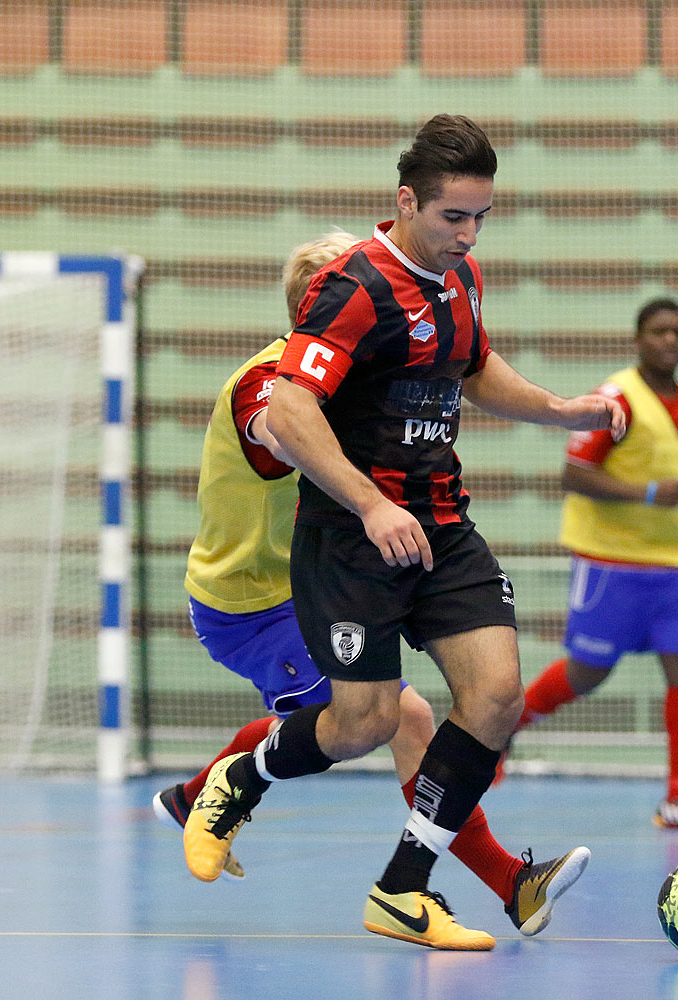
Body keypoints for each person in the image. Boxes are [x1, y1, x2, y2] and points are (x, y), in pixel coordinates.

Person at [181, 115, 625, 951]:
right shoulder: (352, 287)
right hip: (350, 543)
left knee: (494, 697)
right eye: (454, 216)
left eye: (481, 217)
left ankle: (403, 887)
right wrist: (369, 503)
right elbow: (287, 408)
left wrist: (556, 410)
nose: (468, 234)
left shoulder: (462, 281)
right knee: (366, 724)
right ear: (407, 202)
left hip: (442, 524)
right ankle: (240, 775)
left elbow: (474, 364)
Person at [506, 298, 678, 829]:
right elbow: (573, 474)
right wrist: (650, 493)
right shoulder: (614, 400)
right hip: (613, 565)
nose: (670, 341)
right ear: (637, 339)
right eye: (659, 331)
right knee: (587, 673)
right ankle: (504, 727)